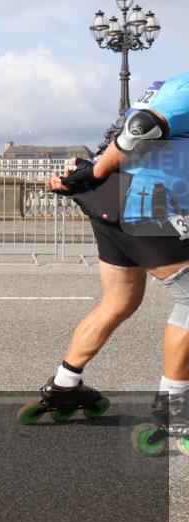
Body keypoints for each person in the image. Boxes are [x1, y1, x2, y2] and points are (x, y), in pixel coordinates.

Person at [18, 72, 189, 446]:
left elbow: (131, 133)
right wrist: (94, 170)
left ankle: (65, 385)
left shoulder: (171, 84)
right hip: (146, 204)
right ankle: (175, 413)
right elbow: (141, 126)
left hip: (115, 200)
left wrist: (87, 173)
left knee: (119, 301)